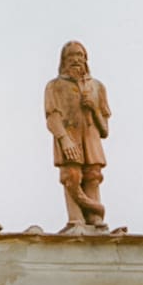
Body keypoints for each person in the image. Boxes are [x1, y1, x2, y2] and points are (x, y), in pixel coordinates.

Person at [45, 41, 111, 228]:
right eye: (71, 56)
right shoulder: (55, 86)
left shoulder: (97, 87)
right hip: (69, 137)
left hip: (91, 139)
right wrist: (64, 139)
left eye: (80, 55)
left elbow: (105, 129)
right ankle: (76, 220)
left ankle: (95, 217)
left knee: (93, 175)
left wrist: (94, 109)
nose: (76, 59)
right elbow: (52, 116)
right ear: (64, 60)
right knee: (72, 176)